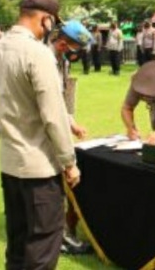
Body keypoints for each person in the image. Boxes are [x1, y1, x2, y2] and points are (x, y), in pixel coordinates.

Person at [0, 0, 81, 269]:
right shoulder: (38, 54)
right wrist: (69, 162)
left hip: (10, 162)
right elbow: (53, 115)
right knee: (41, 246)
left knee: (17, 244)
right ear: (46, 20)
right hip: (39, 169)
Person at [46, 20, 93, 254]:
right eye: (76, 49)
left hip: (56, 123)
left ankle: (58, 233)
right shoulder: (44, 60)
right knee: (53, 188)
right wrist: (68, 160)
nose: (77, 55)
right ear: (64, 43)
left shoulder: (59, 60)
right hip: (45, 132)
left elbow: (61, 99)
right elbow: (50, 107)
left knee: (54, 188)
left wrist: (71, 122)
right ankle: (61, 238)